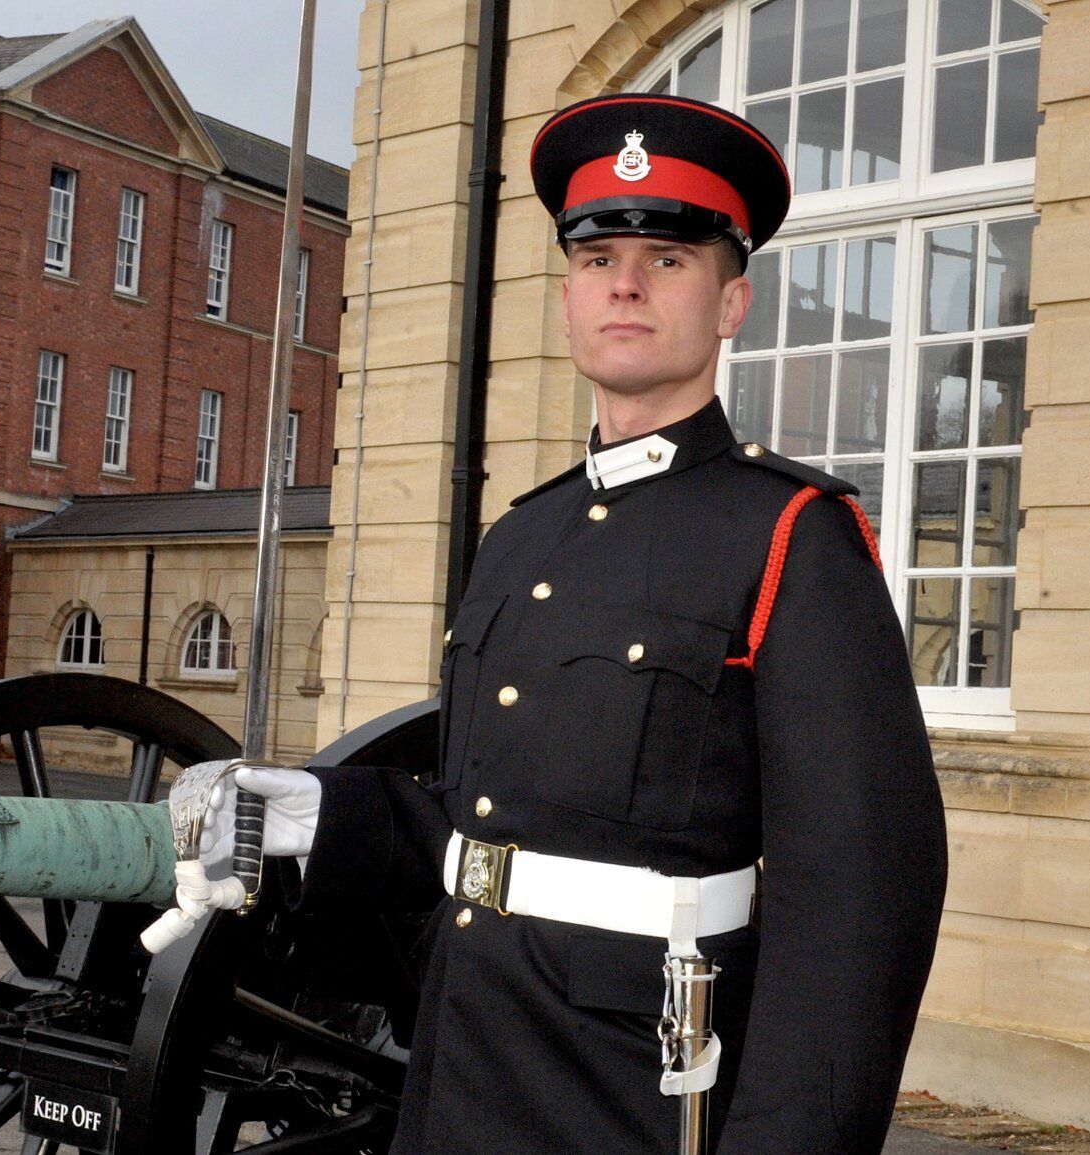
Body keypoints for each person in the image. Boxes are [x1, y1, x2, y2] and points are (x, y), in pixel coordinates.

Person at [190, 92, 949, 1153]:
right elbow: (484, 821)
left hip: (639, 1088)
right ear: (569, 297)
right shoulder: (522, 536)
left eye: (669, 259)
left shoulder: (788, 535)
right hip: (461, 1056)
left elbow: (859, 902)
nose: (626, 282)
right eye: (599, 261)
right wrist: (317, 813)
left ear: (731, 304)